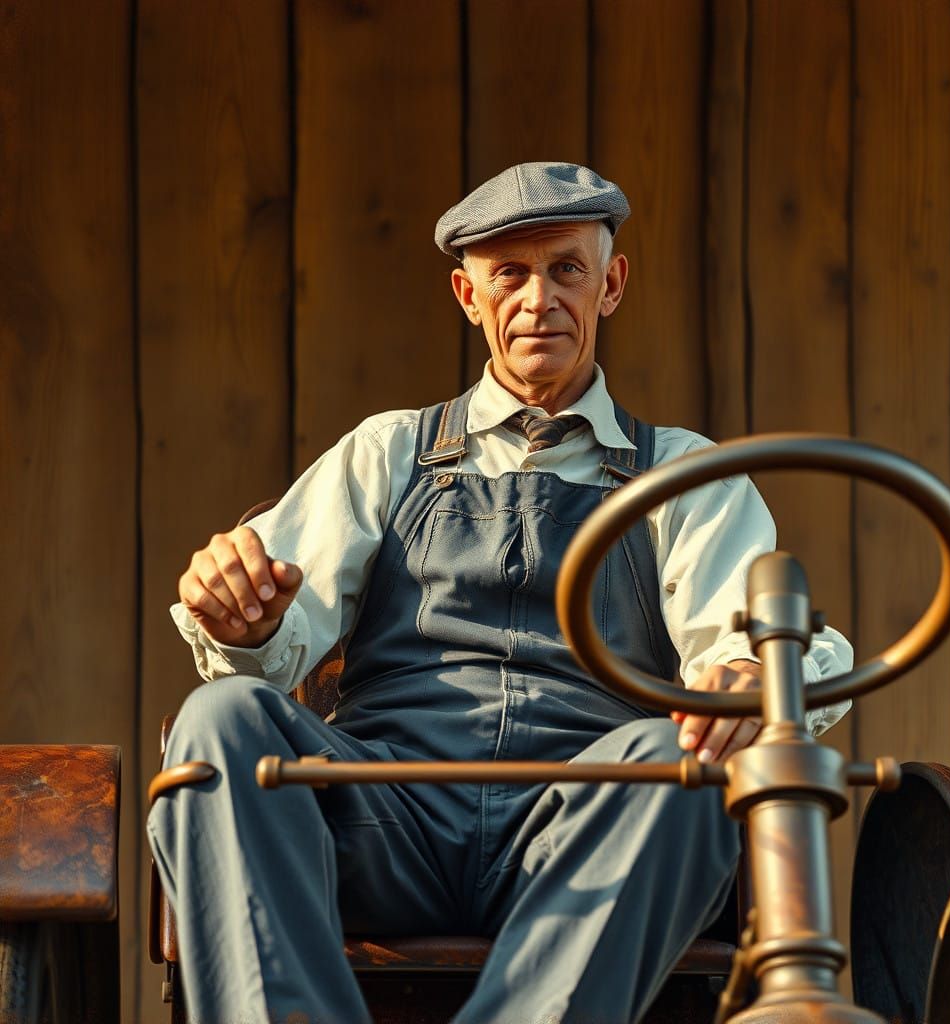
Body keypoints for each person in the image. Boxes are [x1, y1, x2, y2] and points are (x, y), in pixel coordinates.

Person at [149, 162, 852, 1024]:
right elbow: (272, 635)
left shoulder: (685, 475)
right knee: (217, 724)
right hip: (386, 818)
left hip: (588, 829)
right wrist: (243, 617)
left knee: (685, 761)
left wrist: (747, 677)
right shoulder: (388, 452)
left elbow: (747, 640)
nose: (537, 299)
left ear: (612, 284)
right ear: (467, 295)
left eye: (566, 268)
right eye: (508, 275)